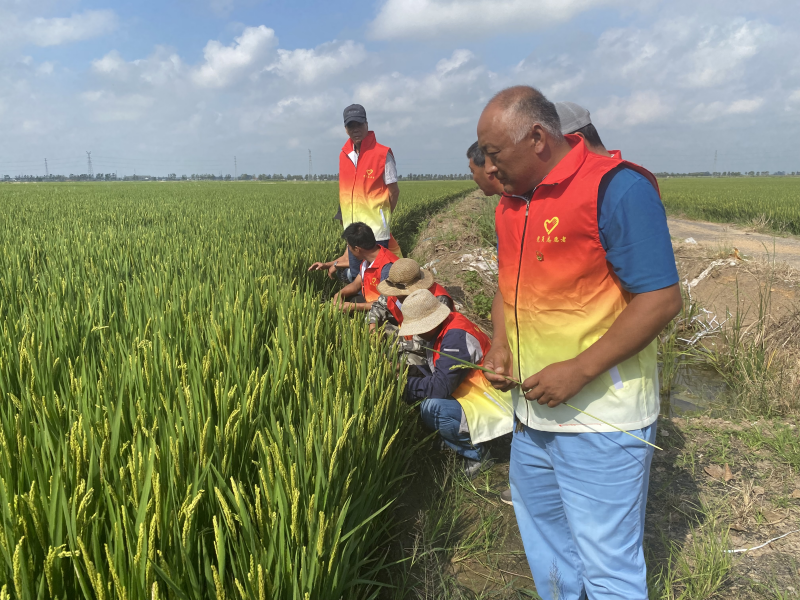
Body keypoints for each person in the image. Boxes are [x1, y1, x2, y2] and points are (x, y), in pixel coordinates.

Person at [477, 86, 682, 600]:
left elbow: (660, 299)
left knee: (607, 565)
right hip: (532, 418)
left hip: (602, 420)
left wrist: (579, 369)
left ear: (538, 138)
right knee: (548, 550)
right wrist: (501, 344)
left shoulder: (617, 188)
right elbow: (508, 287)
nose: (488, 168)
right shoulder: (511, 203)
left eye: (495, 154)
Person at [400, 289, 513, 479]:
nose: (416, 333)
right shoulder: (447, 325)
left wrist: (403, 385)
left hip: (489, 403)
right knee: (421, 387)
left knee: (433, 408)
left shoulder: (456, 337)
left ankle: (477, 455)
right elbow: (439, 370)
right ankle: (453, 437)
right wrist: (407, 372)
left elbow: (440, 387)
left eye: (418, 328)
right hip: (469, 395)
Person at [317, 221, 398, 312]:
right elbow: (356, 285)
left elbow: (387, 303)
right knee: (344, 301)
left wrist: (354, 307)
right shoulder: (367, 261)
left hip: (387, 310)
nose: (349, 250)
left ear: (357, 249)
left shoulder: (388, 267)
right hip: (371, 301)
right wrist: (340, 294)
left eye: (349, 247)